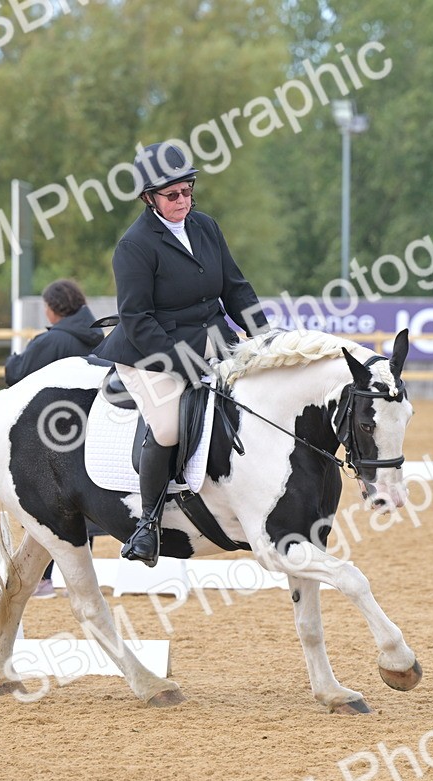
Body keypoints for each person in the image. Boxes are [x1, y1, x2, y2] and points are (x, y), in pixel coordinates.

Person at [93, 141, 268, 568]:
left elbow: (236, 287)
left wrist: (263, 335)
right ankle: (148, 524)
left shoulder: (205, 227)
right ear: (148, 198)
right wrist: (184, 363)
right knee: (170, 426)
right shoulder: (134, 245)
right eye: (172, 195)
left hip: (213, 337)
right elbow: (137, 319)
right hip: (151, 349)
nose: (183, 201)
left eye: (188, 191)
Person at [5, 278, 104, 598]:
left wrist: (13, 358)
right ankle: (80, 580)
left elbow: (17, 374)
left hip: (51, 432)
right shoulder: (98, 336)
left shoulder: (51, 341)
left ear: (53, 309)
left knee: (46, 505)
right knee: (82, 506)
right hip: (89, 429)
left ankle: (43, 578)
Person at [4, 279, 103, 386]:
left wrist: (15, 359)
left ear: (54, 307)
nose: (45, 311)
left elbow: (16, 375)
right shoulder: (98, 339)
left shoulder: (51, 341)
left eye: (46, 306)